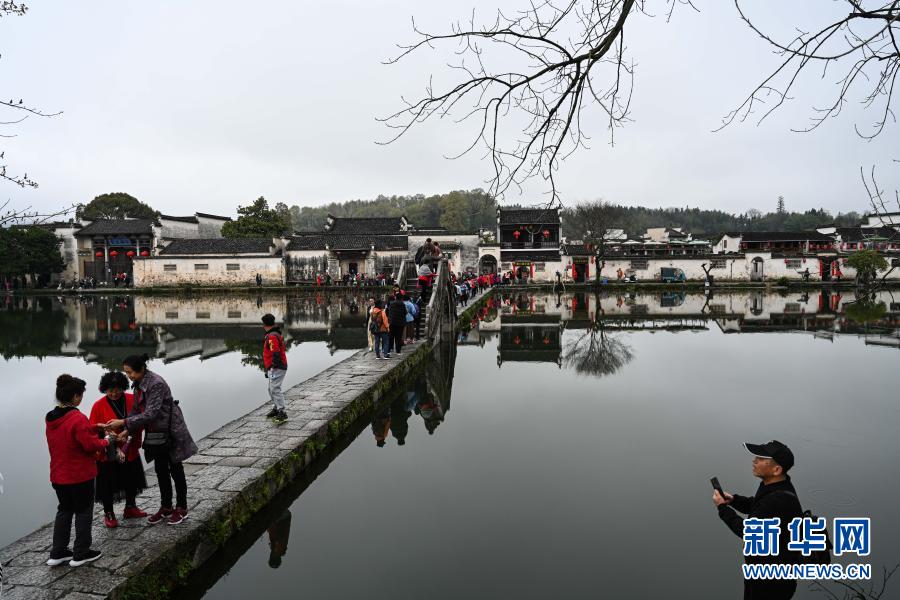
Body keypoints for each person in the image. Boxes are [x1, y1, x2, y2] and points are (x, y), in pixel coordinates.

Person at [103, 354, 198, 526]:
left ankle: (182, 508)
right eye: (126, 373)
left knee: (176, 469)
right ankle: (166, 507)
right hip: (155, 433)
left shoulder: (156, 383)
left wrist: (123, 422)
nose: (128, 376)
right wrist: (126, 431)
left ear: (141, 369)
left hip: (170, 430)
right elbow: (136, 410)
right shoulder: (138, 384)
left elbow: (150, 413)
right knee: (160, 469)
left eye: (130, 372)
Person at [714, 440, 802, 600]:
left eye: (761, 459)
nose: (754, 461)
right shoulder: (778, 485)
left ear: (776, 469)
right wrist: (734, 500)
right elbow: (758, 505)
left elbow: (747, 532)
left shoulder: (778, 501)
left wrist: (722, 508)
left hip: (771, 584)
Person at [46, 374, 114, 568]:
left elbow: (71, 433)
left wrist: (94, 427)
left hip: (59, 476)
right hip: (79, 476)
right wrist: (106, 441)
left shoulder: (51, 417)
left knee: (64, 510)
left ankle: (58, 552)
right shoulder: (78, 417)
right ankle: (81, 553)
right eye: (81, 395)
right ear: (76, 396)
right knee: (83, 512)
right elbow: (90, 445)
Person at [89, 372, 148, 528]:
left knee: (131, 478)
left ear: (123, 387)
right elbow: (92, 430)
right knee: (107, 483)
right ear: (104, 389)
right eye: (110, 390)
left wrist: (127, 433)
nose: (114, 393)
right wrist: (111, 436)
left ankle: (130, 507)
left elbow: (141, 419)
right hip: (108, 452)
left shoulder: (132, 399)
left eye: (117, 390)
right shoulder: (98, 405)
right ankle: (109, 513)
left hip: (129, 446)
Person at [262, 313, 288, 423]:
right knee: (270, 389)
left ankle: (282, 411)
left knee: (275, 389)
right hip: (273, 367)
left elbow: (275, 352)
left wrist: (273, 366)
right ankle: (276, 407)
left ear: (264, 325)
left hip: (277, 366)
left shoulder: (272, 336)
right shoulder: (274, 334)